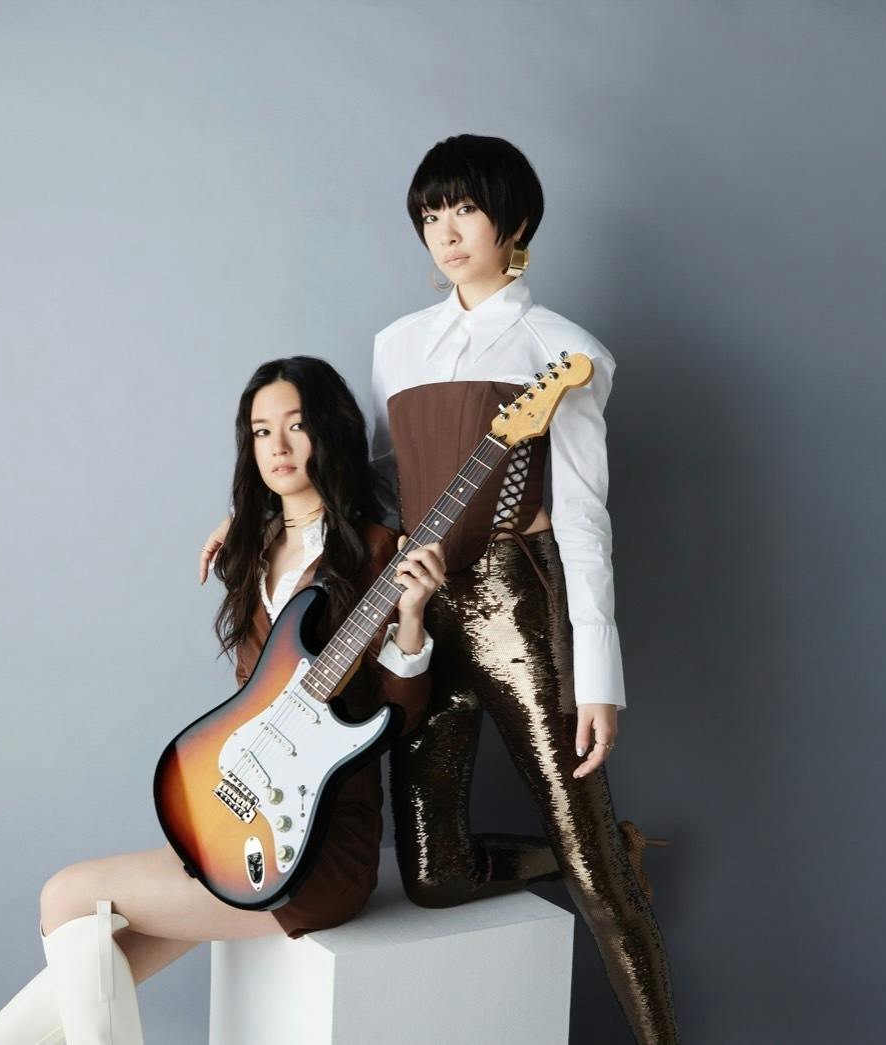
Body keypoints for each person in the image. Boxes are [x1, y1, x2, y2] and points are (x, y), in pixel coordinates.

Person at [199, 134, 680, 1043]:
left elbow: (583, 519)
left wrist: (599, 678)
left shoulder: (564, 348)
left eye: (464, 210)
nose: (446, 233)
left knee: (589, 863)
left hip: (514, 601)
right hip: (412, 603)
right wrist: (255, 515)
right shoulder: (398, 345)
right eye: (429, 215)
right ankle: (602, 853)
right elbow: (377, 482)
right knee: (430, 871)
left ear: (516, 221)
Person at [0, 357, 446, 1044]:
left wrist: (412, 618)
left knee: (65, 898)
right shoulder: (248, 550)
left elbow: (398, 717)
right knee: (95, 967)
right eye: (261, 431)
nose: (277, 446)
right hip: (239, 823)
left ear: (331, 432)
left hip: (316, 847)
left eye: (296, 426)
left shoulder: (377, 551)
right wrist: (245, 524)